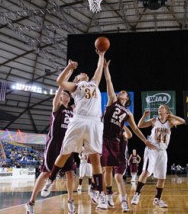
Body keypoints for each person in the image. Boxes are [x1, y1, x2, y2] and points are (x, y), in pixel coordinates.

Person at [41, 49, 108, 210]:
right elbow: (59, 81)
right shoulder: (76, 86)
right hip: (78, 121)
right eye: (80, 74)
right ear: (77, 79)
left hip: (94, 122)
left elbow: (99, 69)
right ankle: (50, 180)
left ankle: (100, 194)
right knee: (65, 153)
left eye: (85, 73)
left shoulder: (94, 83)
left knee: (96, 158)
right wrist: (69, 69)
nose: (84, 73)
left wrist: (101, 55)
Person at [101, 59, 156, 208]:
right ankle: (103, 195)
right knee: (102, 168)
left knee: (110, 171)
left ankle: (111, 197)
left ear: (127, 99)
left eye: (124, 93)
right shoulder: (112, 100)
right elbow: (108, 81)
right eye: (121, 92)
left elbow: (136, 130)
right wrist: (105, 67)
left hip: (114, 141)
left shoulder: (128, 113)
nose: (122, 92)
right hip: (102, 137)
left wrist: (145, 141)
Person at [25, 69, 74, 214]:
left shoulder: (73, 111)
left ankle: (71, 201)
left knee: (70, 173)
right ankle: (31, 202)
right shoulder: (56, 107)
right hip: (54, 143)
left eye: (67, 94)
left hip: (67, 144)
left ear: (69, 99)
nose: (64, 94)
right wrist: (69, 73)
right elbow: (60, 86)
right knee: (46, 172)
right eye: (63, 94)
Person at [131, 105, 185, 208]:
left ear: (166, 111)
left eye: (162, 108)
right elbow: (140, 125)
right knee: (146, 172)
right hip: (152, 149)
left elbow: (182, 121)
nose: (160, 109)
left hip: (162, 150)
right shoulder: (154, 120)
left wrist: (172, 116)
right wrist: (144, 116)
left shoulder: (170, 122)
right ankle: (136, 195)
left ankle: (157, 199)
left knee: (162, 177)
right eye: (159, 108)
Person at [114, 125, 132, 212]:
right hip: (110, 158)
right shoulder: (110, 131)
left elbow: (129, 135)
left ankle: (124, 201)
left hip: (121, 160)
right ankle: (105, 197)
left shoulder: (123, 133)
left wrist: (123, 125)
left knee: (118, 176)